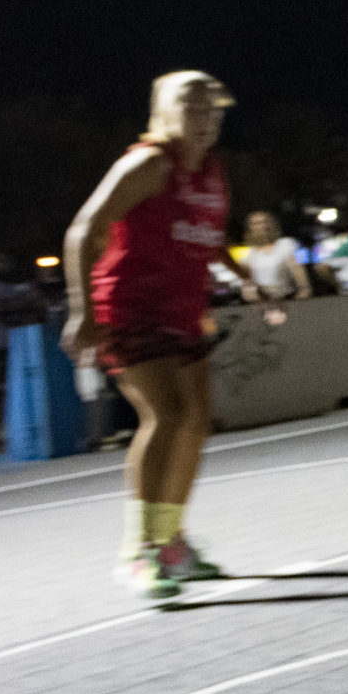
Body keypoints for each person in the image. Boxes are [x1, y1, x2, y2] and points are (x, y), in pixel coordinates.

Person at [61, 71, 238, 601]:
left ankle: (171, 540)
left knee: (196, 423)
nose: (204, 116)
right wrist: (81, 312)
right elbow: (82, 231)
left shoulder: (212, 175)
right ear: (163, 112)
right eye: (191, 106)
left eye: (213, 108)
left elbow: (207, 238)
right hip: (128, 309)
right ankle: (139, 551)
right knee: (166, 415)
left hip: (180, 314)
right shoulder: (148, 164)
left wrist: (240, 278)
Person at [236, 212, 312, 302]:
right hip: (261, 297)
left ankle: (304, 289)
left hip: (284, 293)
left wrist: (304, 289)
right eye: (256, 224)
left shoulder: (285, 244)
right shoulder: (247, 252)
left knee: (292, 262)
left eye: (264, 222)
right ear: (249, 228)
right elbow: (245, 278)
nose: (261, 227)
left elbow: (296, 267)